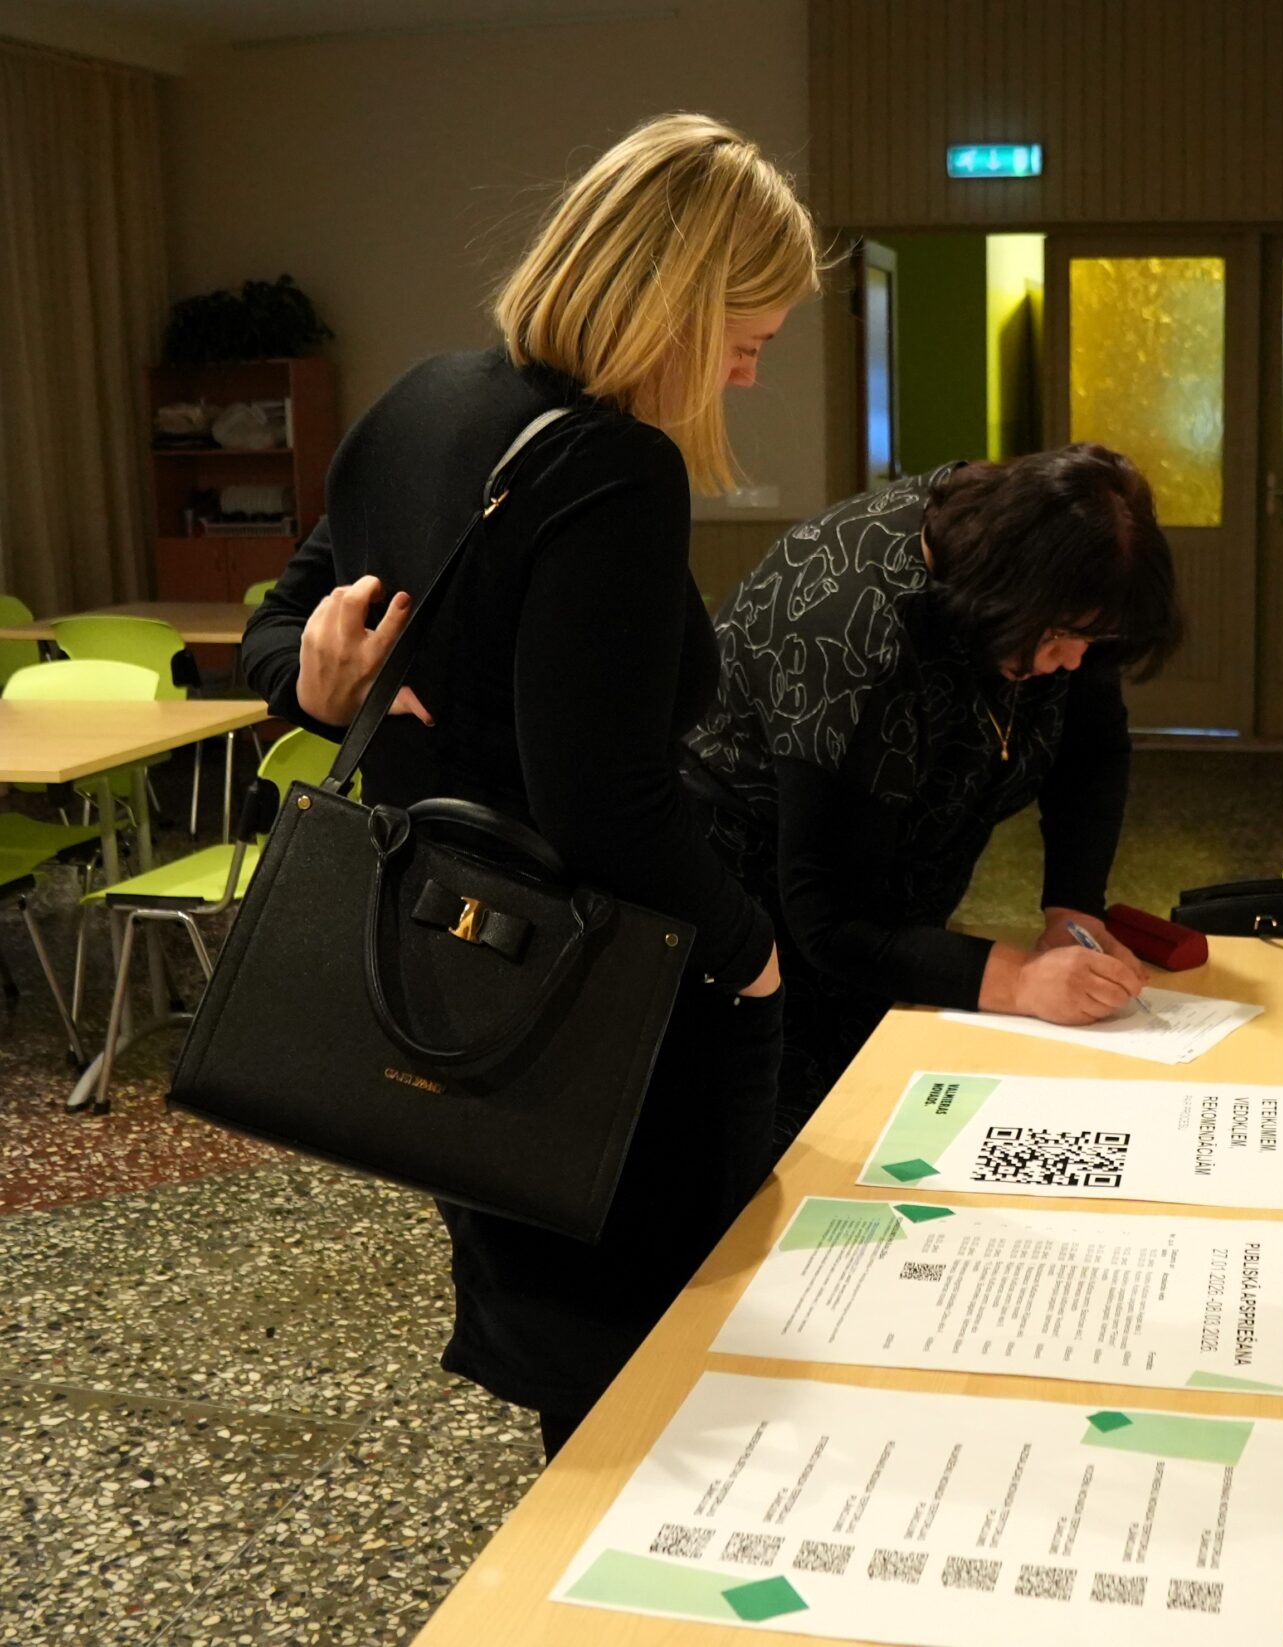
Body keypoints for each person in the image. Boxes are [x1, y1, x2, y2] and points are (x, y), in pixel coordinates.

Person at [240, 114, 820, 1461]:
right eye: (747, 334)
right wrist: (753, 954)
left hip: (448, 961)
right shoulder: (613, 468)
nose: (749, 367)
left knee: (570, 1341)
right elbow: (604, 804)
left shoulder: (426, 401)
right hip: (589, 982)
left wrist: (315, 690)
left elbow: (276, 627)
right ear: (678, 302)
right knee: (654, 1354)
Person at [684, 445, 1183, 1139]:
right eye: (1065, 639)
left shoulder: (1056, 576)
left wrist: (1074, 906)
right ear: (1006, 596)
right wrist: (1019, 982)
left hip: (890, 908)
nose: (1075, 662)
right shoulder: (857, 636)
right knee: (802, 1146)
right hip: (753, 923)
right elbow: (830, 921)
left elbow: (1090, 748)